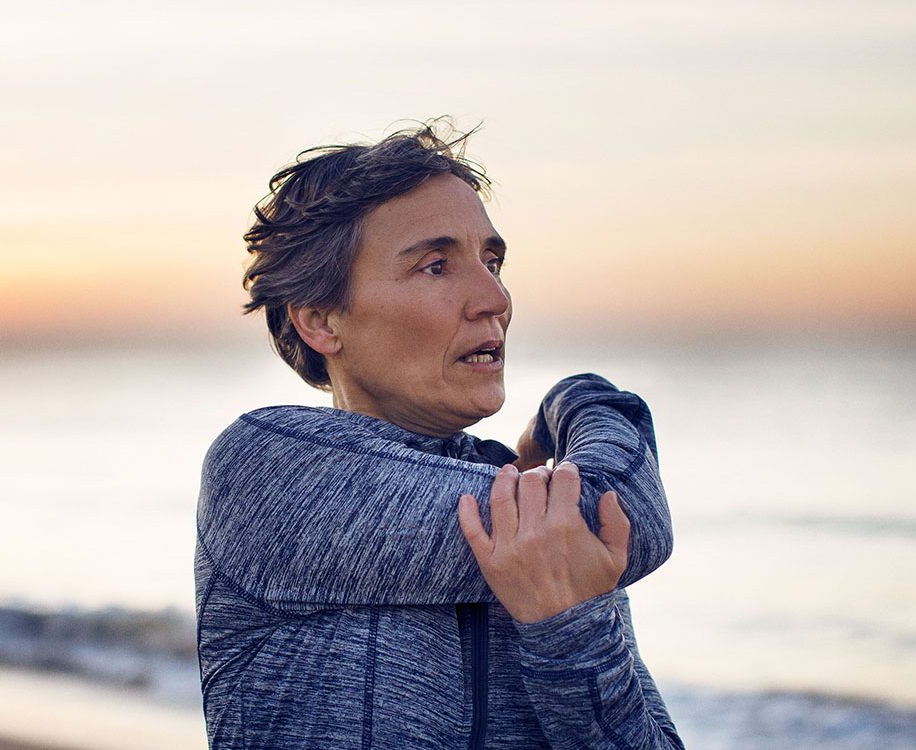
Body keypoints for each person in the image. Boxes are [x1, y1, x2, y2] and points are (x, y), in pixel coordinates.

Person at [195, 119, 684, 749]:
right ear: (320, 320)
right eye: (435, 266)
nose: (495, 297)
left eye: (492, 260)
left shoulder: (529, 497)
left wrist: (574, 636)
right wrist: (577, 400)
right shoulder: (266, 472)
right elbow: (628, 511)